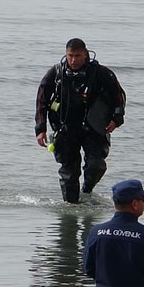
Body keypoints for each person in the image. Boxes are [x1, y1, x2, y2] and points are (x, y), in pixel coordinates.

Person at [35, 38, 126, 204]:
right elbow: (41, 100)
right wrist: (40, 129)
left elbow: (118, 97)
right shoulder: (56, 73)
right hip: (65, 128)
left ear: (86, 54)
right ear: (65, 54)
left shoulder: (101, 73)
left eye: (77, 55)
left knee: (96, 166)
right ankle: (72, 206)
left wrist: (116, 119)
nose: (73, 60)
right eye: (70, 56)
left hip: (94, 127)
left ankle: (87, 190)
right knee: (69, 172)